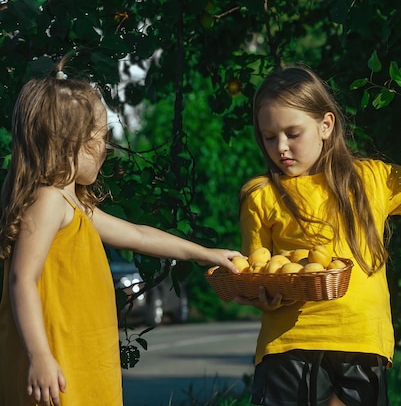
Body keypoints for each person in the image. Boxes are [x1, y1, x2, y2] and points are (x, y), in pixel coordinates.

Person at [237, 65, 401, 406]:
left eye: (292, 133)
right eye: (269, 136)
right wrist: (264, 296)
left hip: (361, 342)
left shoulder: (371, 179)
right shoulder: (260, 194)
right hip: (289, 345)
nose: (281, 147)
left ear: (326, 125)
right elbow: (258, 272)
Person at [0, 57, 242, 406]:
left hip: (77, 357)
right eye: (100, 137)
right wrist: (39, 355)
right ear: (70, 143)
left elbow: (139, 236)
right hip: (55, 360)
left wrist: (205, 253)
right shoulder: (47, 200)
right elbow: (22, 279)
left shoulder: (73, 206)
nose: (106, 148)